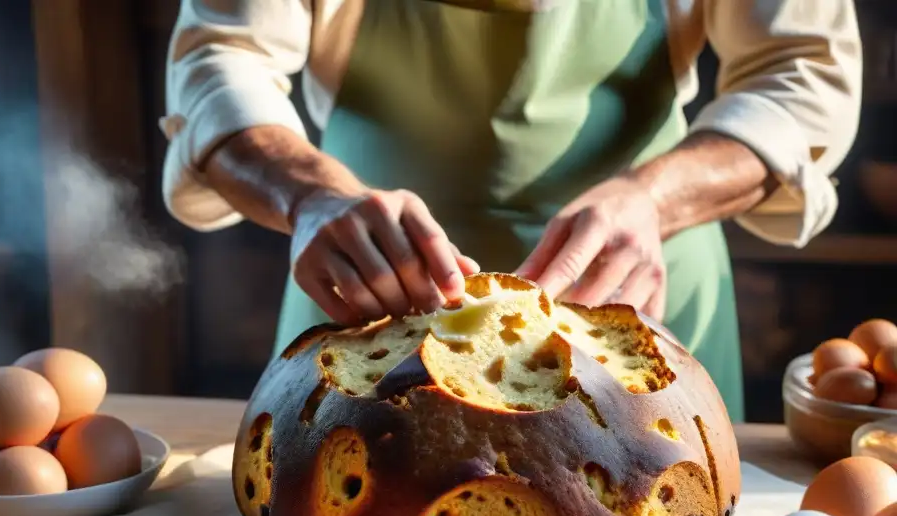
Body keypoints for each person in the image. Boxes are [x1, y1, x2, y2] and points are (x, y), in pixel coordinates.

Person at [160, 0, 862, 422]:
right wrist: (311, 193)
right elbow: (222, 55)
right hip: (366, 299)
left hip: (641, 298)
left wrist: (655, 198)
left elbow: (802, 74)